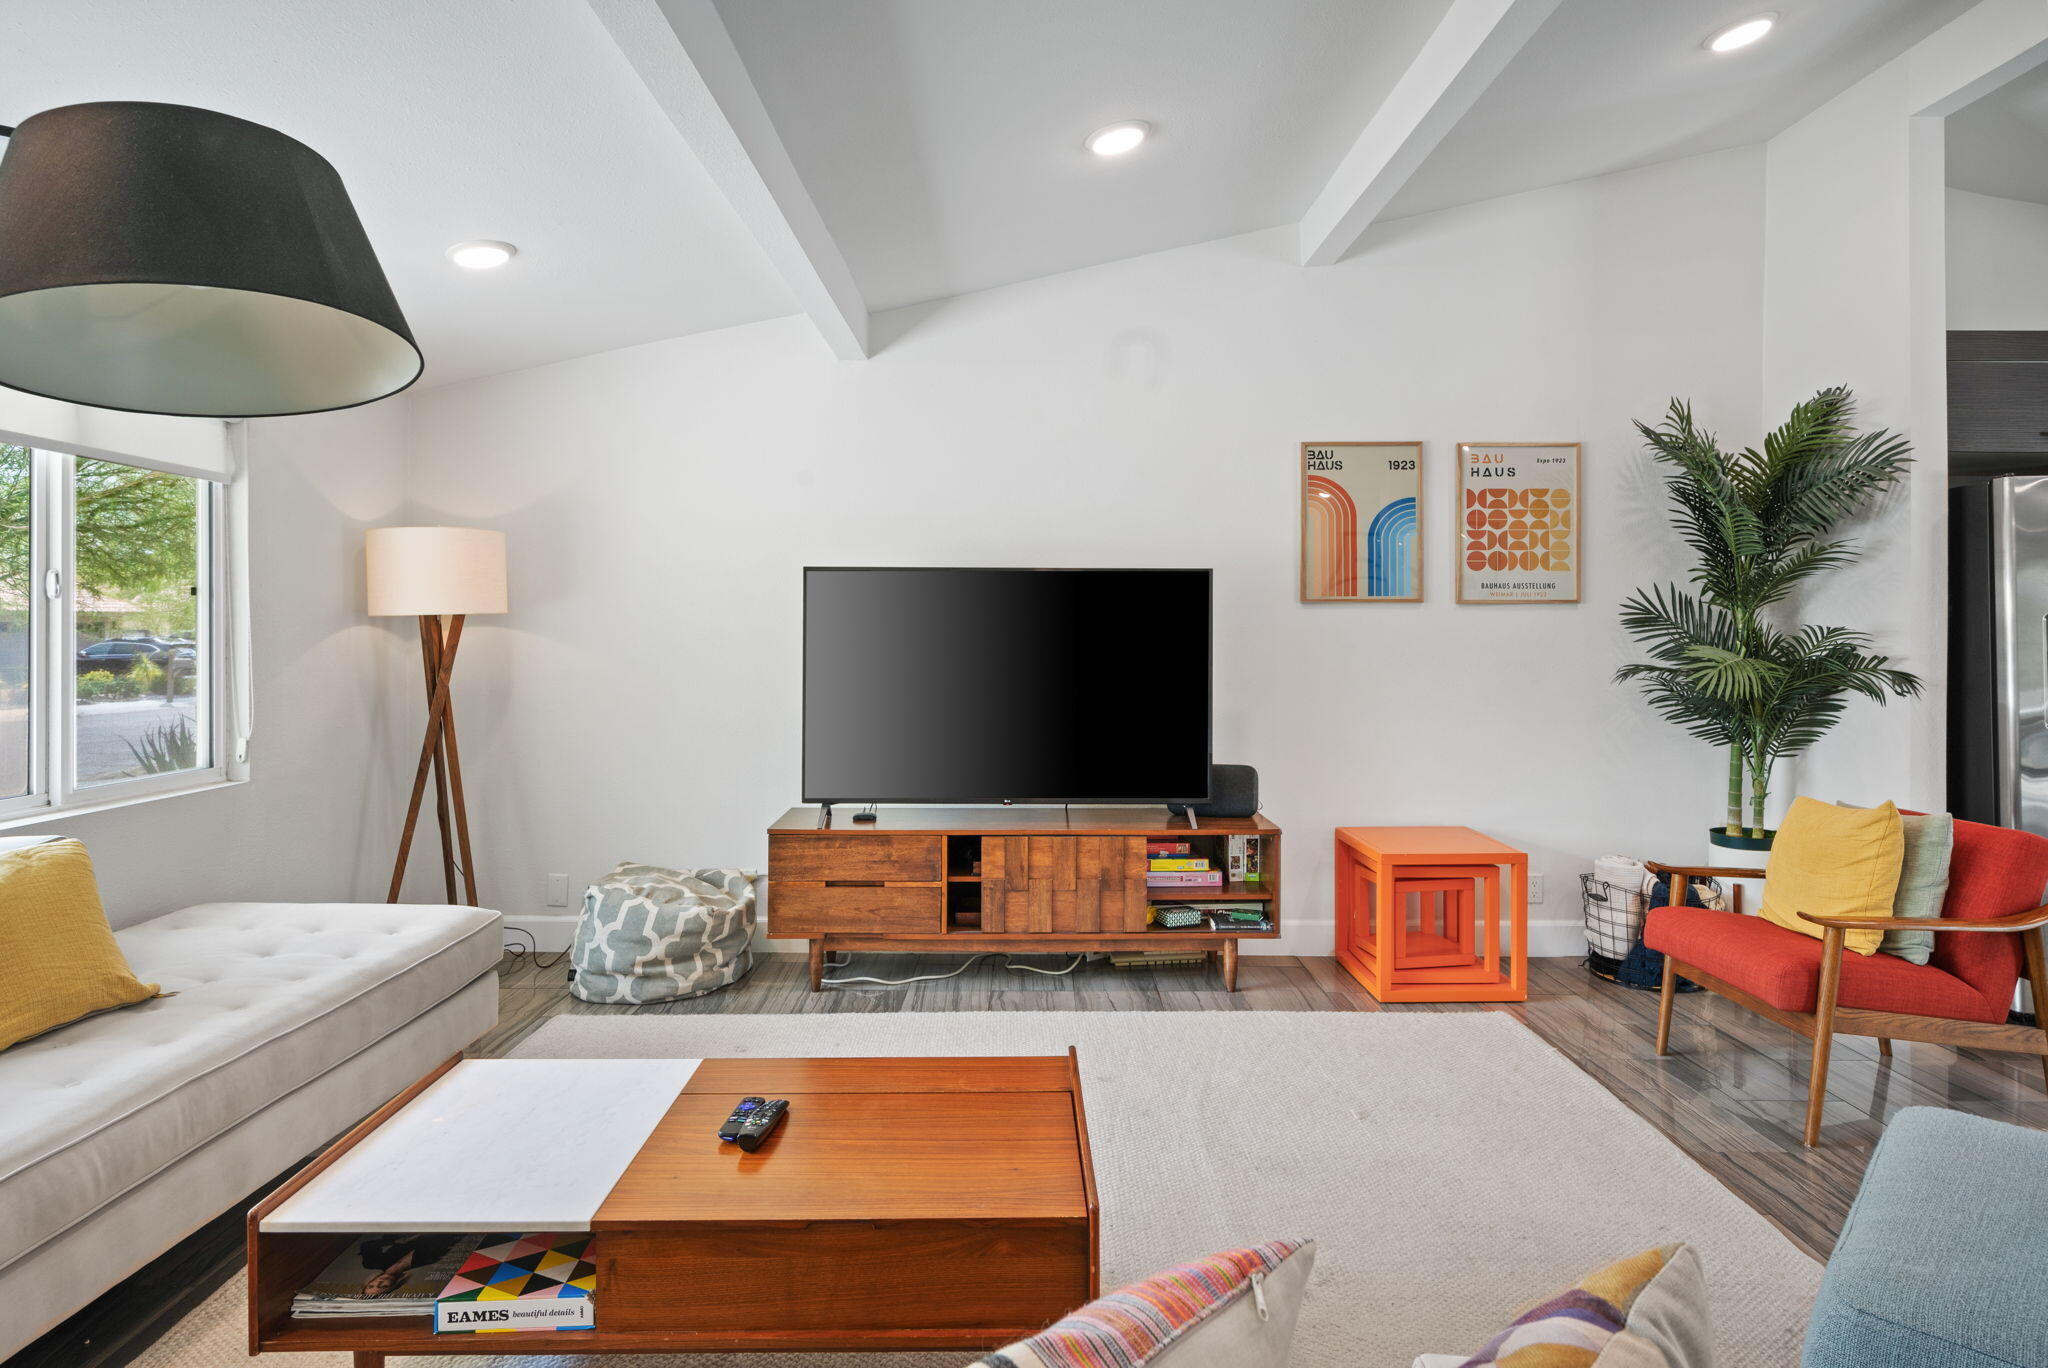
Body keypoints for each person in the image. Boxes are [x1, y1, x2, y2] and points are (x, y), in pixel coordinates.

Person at [355, 1233, 461, 1298]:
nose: (380, 1281)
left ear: (369, 1281)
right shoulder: (428, 1260)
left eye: (371, 1285)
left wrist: (393, 1241)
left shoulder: (372, 1263)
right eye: (384, 1286)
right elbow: (448, 1237)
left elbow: (367, 1245)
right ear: (393, 1285)